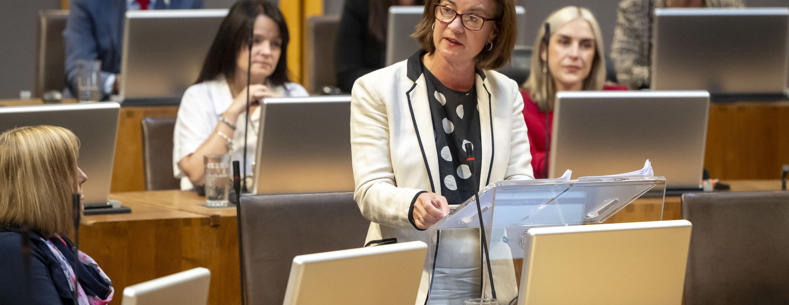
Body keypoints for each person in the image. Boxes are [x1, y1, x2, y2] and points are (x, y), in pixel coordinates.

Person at [350, 0, 533, 303]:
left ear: (494, 32)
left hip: (490, 278)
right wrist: (413, 202)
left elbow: (519, 178)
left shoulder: (506, 93)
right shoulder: (376, 89)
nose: (455, 25)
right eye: (448, 9)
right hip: (407, 275)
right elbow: (369, 191)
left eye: (473, 17)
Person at [173, 0, 308, 190]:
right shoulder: (199, 96)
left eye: (275, 44)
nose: (267, 52)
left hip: (275, 207)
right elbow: (197, 175)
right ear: (231, 42)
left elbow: (310, 169)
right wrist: (233, 112)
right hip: (209, 210)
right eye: (256, 41)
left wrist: (286, 118)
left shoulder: (294, 94)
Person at [0, 125, 113, 305]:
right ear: (40, 186)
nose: (83, 176)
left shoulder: (51, 240)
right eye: (68, 168)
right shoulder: (14, 251)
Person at [521, 6, 626, 179]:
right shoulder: (519, 104)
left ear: (595, 56)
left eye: (586, 45)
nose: (575, 54)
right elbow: (526, 167)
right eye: (564, 42)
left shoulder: (618, 99)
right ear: (543, 51)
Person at [64, 0, 203, 100]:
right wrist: (117, 83)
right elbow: (79, 74)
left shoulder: (187, 2)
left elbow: (197, 65)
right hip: (110, 104)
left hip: (171, 103)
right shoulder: (87, 3)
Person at [610, 0, 743, 89]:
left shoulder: (728, 4)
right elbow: (624, 69)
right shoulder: (636, 6)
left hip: (721, 104)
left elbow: (743, 63)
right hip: (657, 104)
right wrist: (669, 78)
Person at [334, 0, 424, 93]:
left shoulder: (436, 6)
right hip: (378, 96)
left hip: (426, 95)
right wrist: (395, 80)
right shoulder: (360, 4)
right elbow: (347, 75)